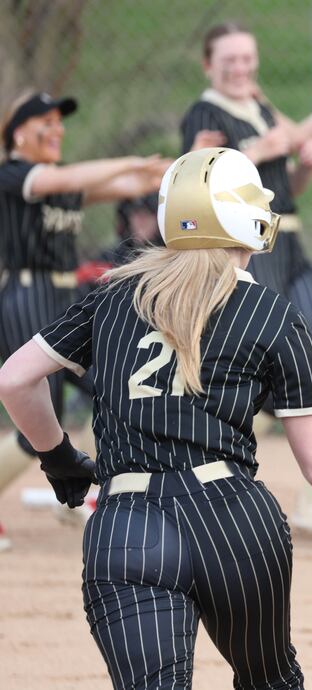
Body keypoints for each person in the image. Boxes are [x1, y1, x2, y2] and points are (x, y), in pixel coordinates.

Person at [0, 147, 312, 689]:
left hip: (128, 522)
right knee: (269, 680)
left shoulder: (114, 295)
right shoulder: (273, 312)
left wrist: (59, 458)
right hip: (232, 522)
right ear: (249, 221)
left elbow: (15, 380)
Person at [180, 22, 312, 542]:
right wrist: (263, 147)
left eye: (246, 58)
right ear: (208, 65)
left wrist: (301, 163)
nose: (240, 69)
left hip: (291, 243)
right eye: (229, 60)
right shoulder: (206, 114)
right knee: (247, 379)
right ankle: (215, 496)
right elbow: (198, 179)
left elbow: (285, 189)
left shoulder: (259, 107)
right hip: (245, 250)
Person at [0, 90, 167, 550]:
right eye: (46, 123)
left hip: (63, 293)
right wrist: (127, 161)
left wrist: (156, 172)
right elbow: (70, 178)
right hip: (25, 292)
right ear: (18, 133)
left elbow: (124, 186)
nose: (57, 130)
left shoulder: (61, 181)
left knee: (110, 384)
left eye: (60, 123)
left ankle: (90, 495)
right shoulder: (15, 175)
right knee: (39, 419)